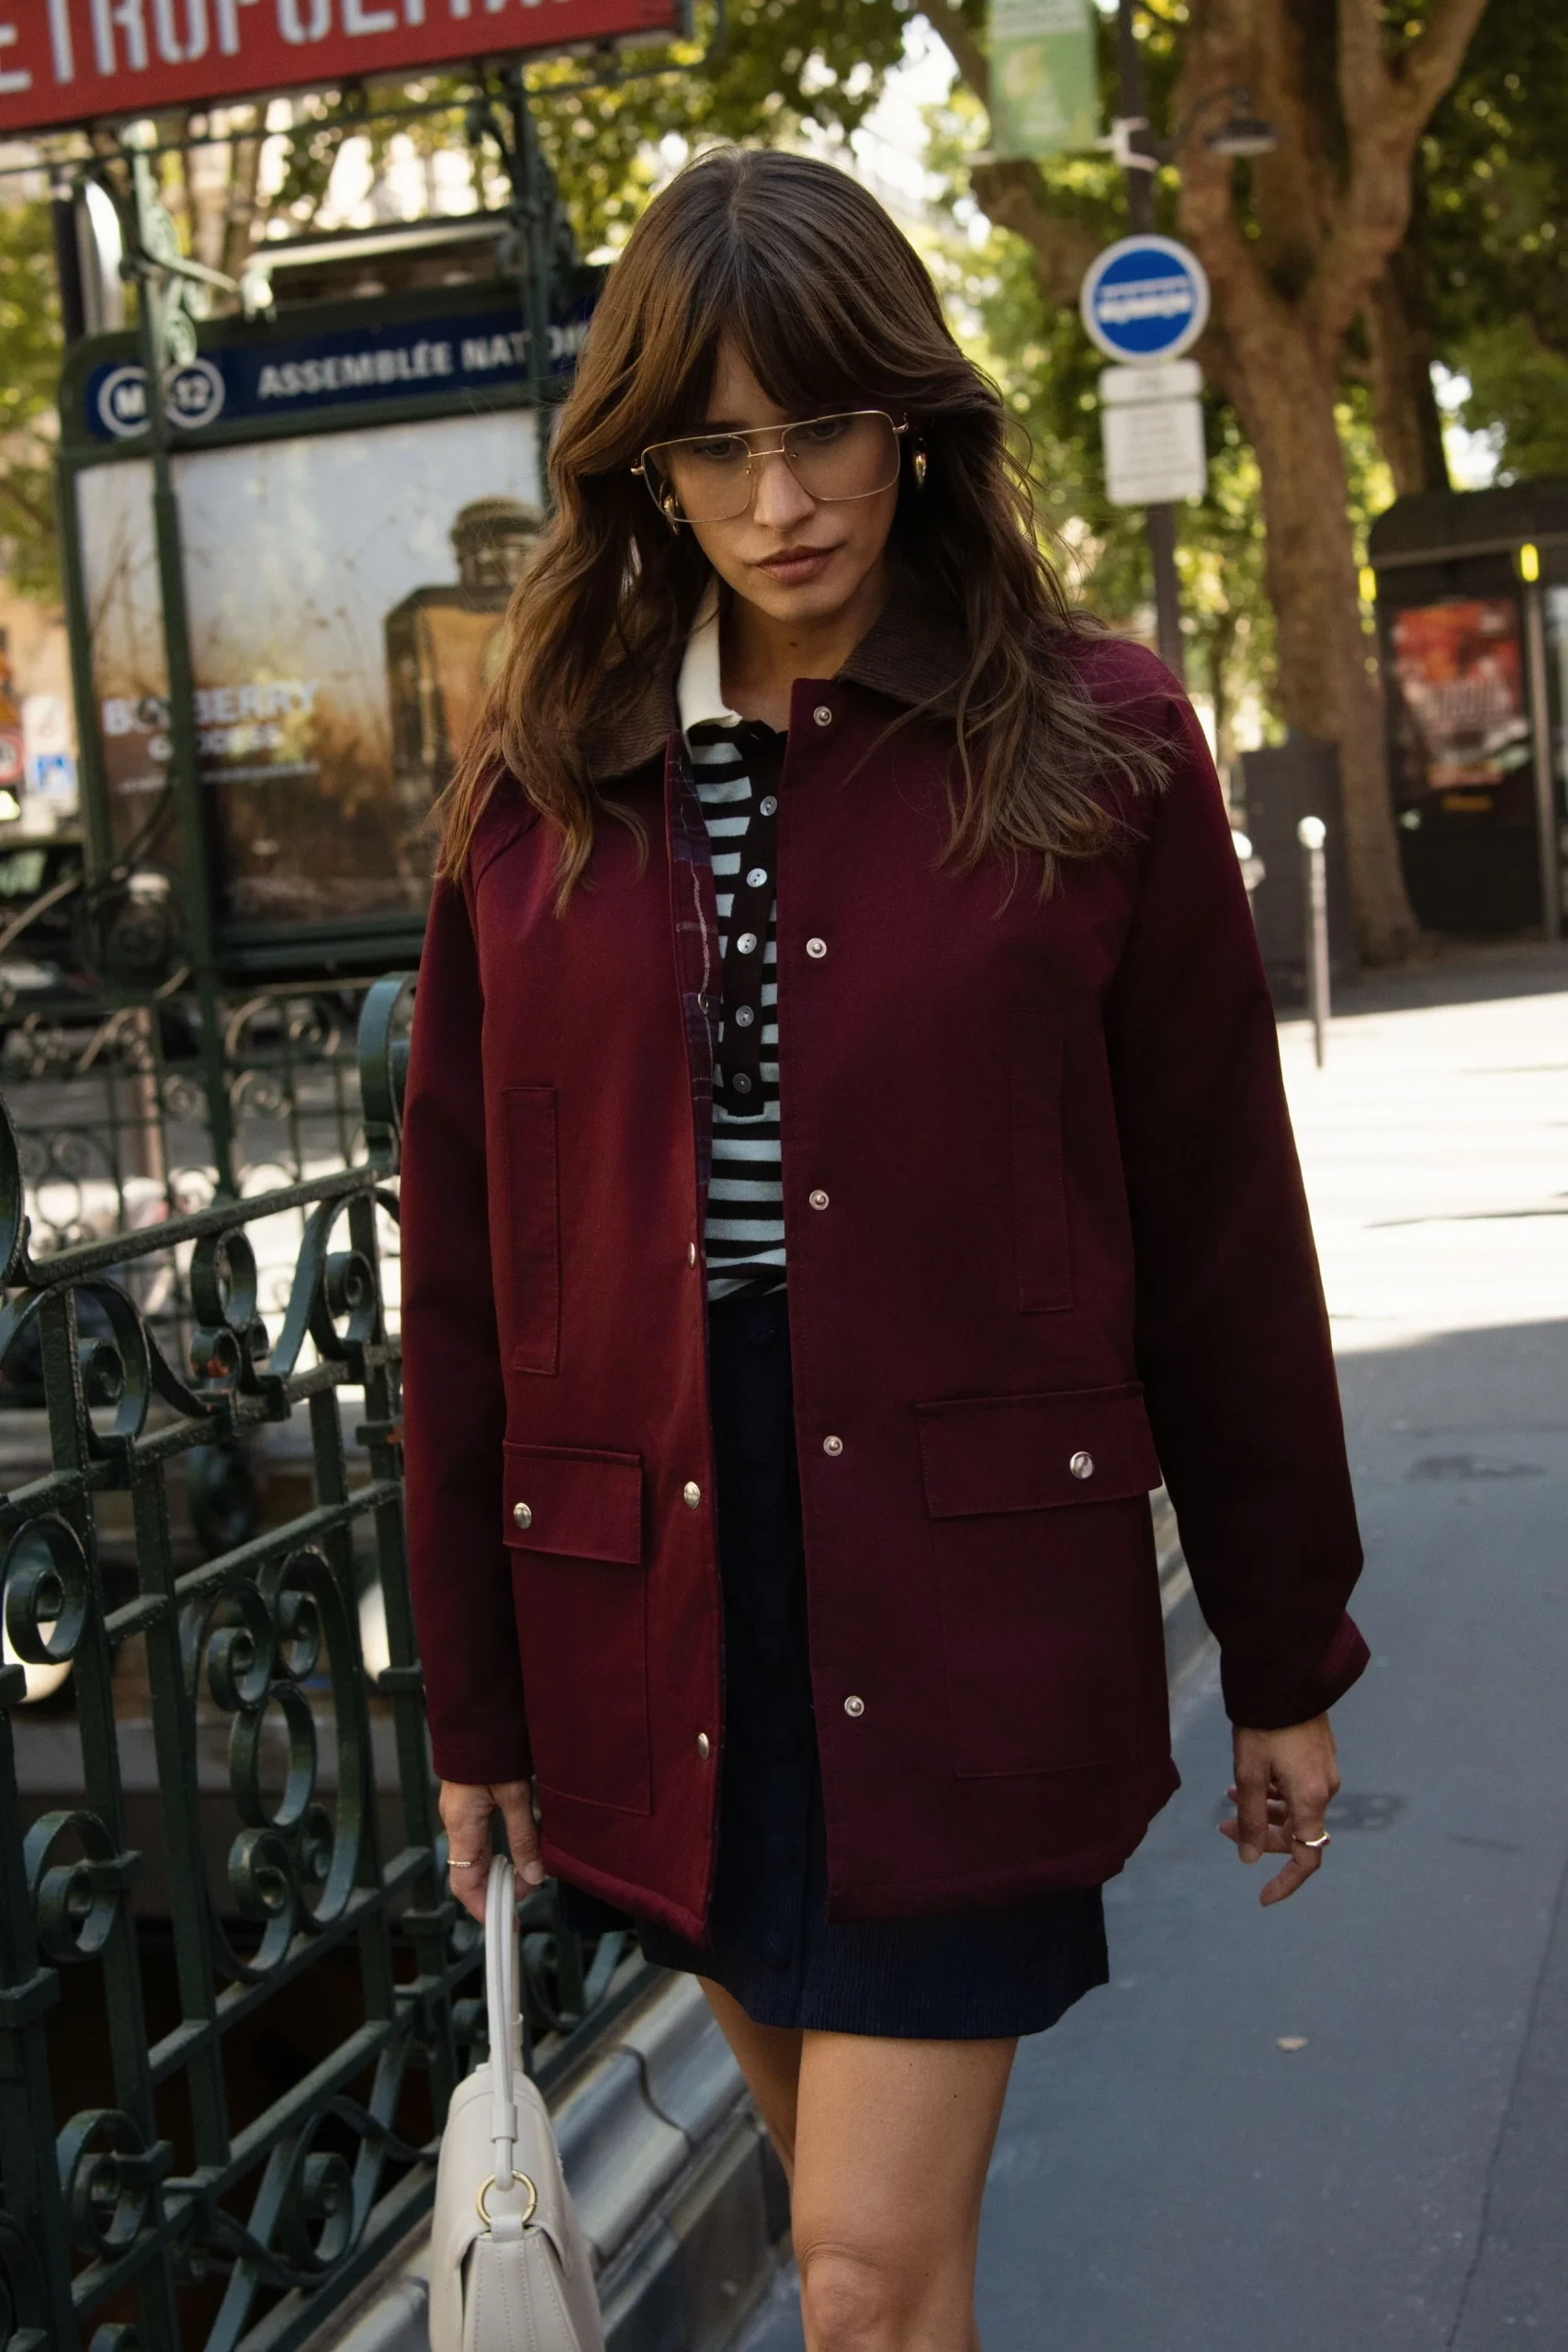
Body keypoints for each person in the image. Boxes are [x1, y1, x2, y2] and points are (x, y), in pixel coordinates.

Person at [400, 145, 1367, 2352]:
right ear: (643, 472)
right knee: (884, 2270)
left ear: (913, 417)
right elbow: (462, 1265)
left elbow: (1220, 1221)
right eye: (712, 448)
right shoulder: (545, 780)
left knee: (848, 2268)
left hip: (957, 1588)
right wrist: (475, 1695)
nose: (779, 501)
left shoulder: (1096, 736)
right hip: (662, 1590)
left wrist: (1280, 1639)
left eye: (822, 426)